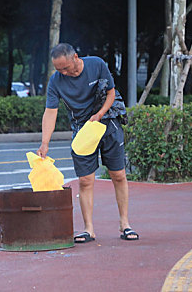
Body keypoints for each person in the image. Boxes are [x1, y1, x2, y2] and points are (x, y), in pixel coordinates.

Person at [36, 43, 139, 243]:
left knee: (118, 175)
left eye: (66, 67)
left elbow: (111, 93)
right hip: (82, 131)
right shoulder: (56, 81)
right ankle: (88, 229)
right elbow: (50, 112)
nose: (64, 72)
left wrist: (99, 114)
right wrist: (44, 143)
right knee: (85, 180)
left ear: (76, 56)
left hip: (107, 122)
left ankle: (125, 223)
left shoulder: (97, 65)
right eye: (59, 70)